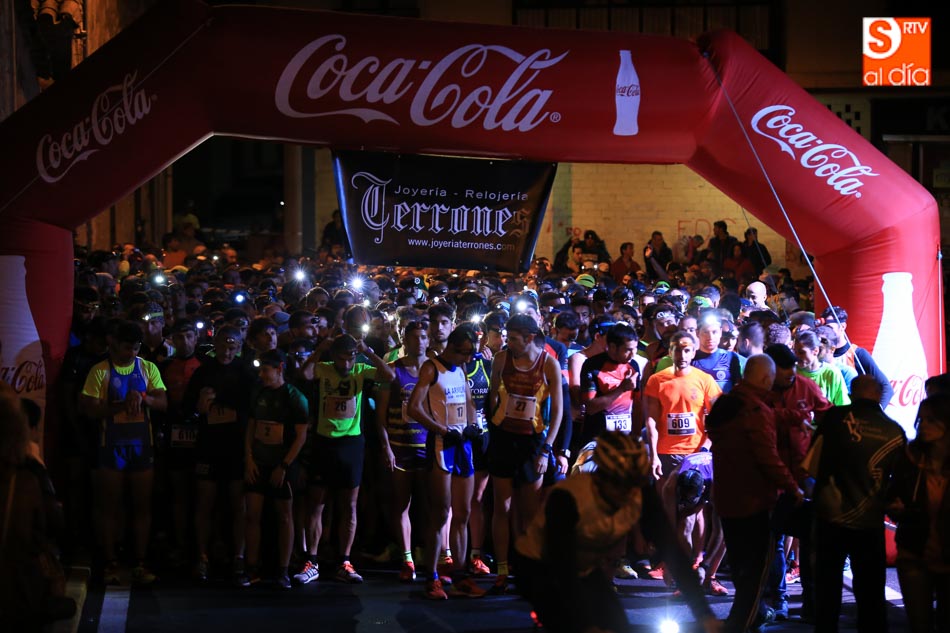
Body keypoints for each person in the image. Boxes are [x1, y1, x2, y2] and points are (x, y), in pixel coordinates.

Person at [513, 431, 721, 633]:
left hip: (583, 563)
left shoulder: (638, 492)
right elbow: (562, 567)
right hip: (540, 566)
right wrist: (585, 624)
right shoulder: (568, 498)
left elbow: (673, 552)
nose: (627, 493)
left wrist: (704, 614)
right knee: (573, 622)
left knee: (618, 625)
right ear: (602, 477)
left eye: (632, 483)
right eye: (619, 485)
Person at [707, 354, 804, 633]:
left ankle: (752, 616)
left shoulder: (728, 403)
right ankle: (742, 623)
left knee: (740, 567)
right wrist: (792, 486)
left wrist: (790, 416)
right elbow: (768, 458)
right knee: (756, 573)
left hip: (726, 499)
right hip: (755, 502)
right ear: (765, 379)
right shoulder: (756, 411)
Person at [296, 334, 395, 585]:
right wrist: (320, 348)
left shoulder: (361, 369)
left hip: (351, 443)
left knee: (349, 505)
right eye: (341, 358)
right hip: (323, 441)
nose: (346, 364)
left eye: (350, 358)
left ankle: (345, 561)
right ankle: (312, 560)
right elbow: (304, 375)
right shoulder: (324, 368)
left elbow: (389, 376)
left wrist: (369, 352)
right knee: (317, 504)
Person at [811, 376, 906, 633]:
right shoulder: (894, 431)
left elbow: (810, 463)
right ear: (877, 395)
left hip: (831, 517)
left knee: (828, 588)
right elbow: (901, 484)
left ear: (852, 393)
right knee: (871, 591)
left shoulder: (833, 419)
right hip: (870, 519)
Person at [80, 320, 167, 585]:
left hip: (142, 447)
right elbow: (88, 409)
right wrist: (118, 406)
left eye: (136, 348)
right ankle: (109, 562)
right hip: (112, 447)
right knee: (109, 507)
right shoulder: (100, 371)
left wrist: (143, 399)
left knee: (142, 506)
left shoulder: (147, 367)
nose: (131, 353)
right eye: (127, 348)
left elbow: (163, 402)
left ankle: (139, 561)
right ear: (113, 343)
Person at [407, 326, 486, 599]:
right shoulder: (432, 368)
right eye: (464, 352)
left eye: (470, 353)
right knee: (440, 515)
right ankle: (432, 576)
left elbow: (469, 402)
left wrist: (474, 425)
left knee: (462, 514)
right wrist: (439, 429)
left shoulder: (461, 369)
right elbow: (413, 407)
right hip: (442, 445)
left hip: (462, 443)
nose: (467, 358)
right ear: (452, 346)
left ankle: (461, 575)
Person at [487, 314, 563, 594]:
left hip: (533, 442)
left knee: (530, 513)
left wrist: (547, 449)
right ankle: (502, 570)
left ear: (530, 337)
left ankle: (530, 569)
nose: (508, 342)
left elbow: (558, 412)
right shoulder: (500, 359)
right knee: (502, 508)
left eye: (514, 338)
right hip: (504, 438)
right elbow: (493, 398)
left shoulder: (549, 363)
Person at [184, 325, 255, 583]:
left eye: (232, 345)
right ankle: (202, 557)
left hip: (236, 446)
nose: (227, 350)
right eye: (223, 345)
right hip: (208, 445)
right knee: (205, 504)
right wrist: (199, 406)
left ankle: (238, 557)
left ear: (238, 347)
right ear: (215, 346)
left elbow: (254, 408)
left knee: (239, 505)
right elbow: (187, 409)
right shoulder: (203, 372)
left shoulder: (246, 372)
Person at [243, 350, 310, 589]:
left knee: (284, 516)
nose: (261, 374)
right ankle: (251, 568)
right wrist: (249, 459)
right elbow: (251, 426)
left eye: (266, 370)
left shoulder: (294, 397)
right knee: (252, 514)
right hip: (259, 462)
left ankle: (282, 570)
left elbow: (301, 436)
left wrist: (284, 466)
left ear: (279, 368)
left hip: (283, 464)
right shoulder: (258, 392)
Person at [888, 394, 950, 633]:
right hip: (914, 550)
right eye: (920, 419)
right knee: (919, 623)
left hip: (946, 552)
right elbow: (892, 495)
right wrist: (894, 507)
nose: (923, 425)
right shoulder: (910, 457)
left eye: (931, 420)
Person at [376, 320, 430, 582]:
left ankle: (428, 554)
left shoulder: (434, 370)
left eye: (423, 336)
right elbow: (381, 413)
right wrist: (386, 447)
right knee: (402, 505)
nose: (419, 341)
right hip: (400, 447)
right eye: (414, 337)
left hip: (429, 447)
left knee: (429, 506)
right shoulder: (393, 371)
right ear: (404, 341)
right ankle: (407, 558)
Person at [644, 331, 721, 482]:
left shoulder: (705, 380)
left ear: (693, 352)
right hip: (665, 451)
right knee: (666, 500)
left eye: (686, 350)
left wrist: (706, 446)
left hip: (696, 452)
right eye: (677, 350)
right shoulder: (656, 381)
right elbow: (651, 421)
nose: (682, 355)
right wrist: (653, 455)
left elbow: (719, 418)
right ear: (670, 352)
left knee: (696, 499)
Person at [820, 306, 893, 408]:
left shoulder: (857, 354)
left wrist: (875, 414)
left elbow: (886, 387)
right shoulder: (818, 355)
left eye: (830, 328)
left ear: (842, 327)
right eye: (823, 328)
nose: (826, 332)